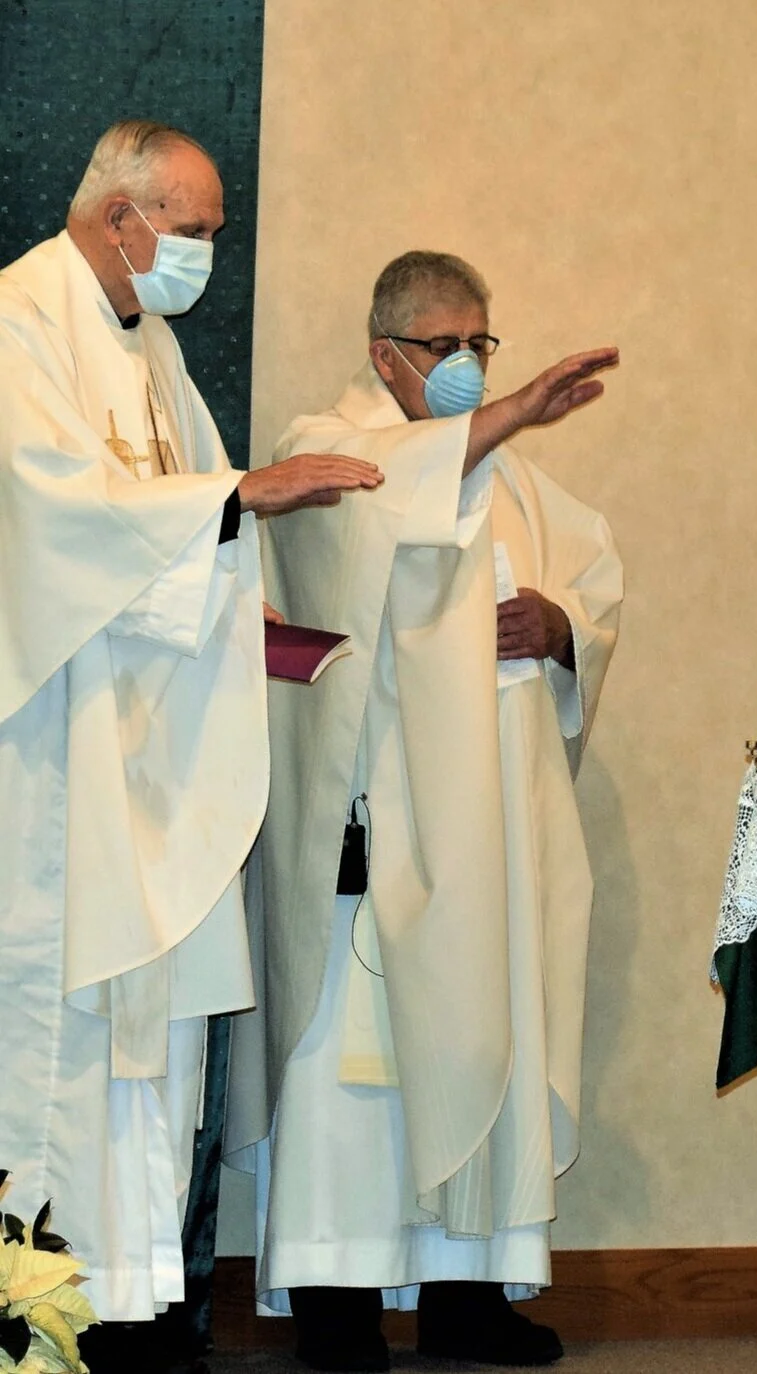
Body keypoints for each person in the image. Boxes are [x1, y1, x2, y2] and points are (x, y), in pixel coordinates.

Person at [0, 120, 384, 1374]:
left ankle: (133, 1297)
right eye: (196, 228)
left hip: (144, 755)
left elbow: (202, 530)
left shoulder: (152, 345)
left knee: (151, 1035)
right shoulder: (19, 322)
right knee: (62, 1031)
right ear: (122, 218)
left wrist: (257, 604)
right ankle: (39, 1303)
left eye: (214, 232)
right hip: (58, 758)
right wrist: (235, 499)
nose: (206, 254)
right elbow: (49, 519)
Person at [229, 253, 621, 1370]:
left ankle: (466, 1297)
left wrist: (562, 629)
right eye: (442, 347)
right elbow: (371, 526)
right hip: (375, 820)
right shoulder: (331, 445)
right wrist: (496, 419)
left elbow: (596, 590)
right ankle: (338, 1301)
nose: (462, 369)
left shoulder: (526, 485)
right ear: (381, 351)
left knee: (483, 1032)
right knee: (350, 1068)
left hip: (493, 830)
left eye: (478, 347)